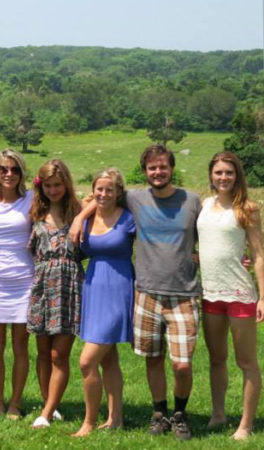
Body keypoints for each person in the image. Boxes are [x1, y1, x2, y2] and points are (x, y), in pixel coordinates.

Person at [71, 144, 202, 440]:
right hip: (133, 292)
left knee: (180, 364)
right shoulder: (136, 199)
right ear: (145, 172)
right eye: (152, 168)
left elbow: (210, 230)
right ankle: (148, 414)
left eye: (163, 167)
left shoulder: (191, 201)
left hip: (173, 292)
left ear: (171, 168)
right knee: (140, 359)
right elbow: (101, 197)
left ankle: (178, 414)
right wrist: (80, 217)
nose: (158, 172)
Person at [198, 151, 264, 441]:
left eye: (229, 172)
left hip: (239, 294)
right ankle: (218, 414)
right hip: (210, 293)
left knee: (246, 362)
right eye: (218, 172)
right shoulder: (204, 204)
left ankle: (245, 425)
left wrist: (262, 296)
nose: (223, 177)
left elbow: (259, 254)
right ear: (211, 175)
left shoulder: (248, 208)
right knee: (216, 359)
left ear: (237, 175)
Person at [71, 168, 135, 437]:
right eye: (99, 188)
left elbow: (155, 242)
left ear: (118, 192)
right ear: (93, 189)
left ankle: (88, 421)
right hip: (94, 288)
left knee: (87, 361)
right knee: (108, 361)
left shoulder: (129, 218)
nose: (104, 193)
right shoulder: (86, 218)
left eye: (110, 189)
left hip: (119, 289)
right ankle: (116, 417)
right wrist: (79, 216)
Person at [26, 160, 82, 429]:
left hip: (68, 285)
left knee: (59, 354)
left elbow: (104, 197)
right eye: (47, 185)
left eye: (58, 184)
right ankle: (50, 403)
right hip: (42, 285)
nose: (53, 190)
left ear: (66, 184)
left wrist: (83, 215)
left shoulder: (78, 211)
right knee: (43, 352)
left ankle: (46, 413)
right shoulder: (35, 211)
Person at [0, 148, 33, 418]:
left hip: (25, 280)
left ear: (22, 173)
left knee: (20, 346)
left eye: (14, 169)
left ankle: (15, 402)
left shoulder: (32, 200)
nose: (9, 174)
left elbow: (67, 204)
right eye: (3, 169)